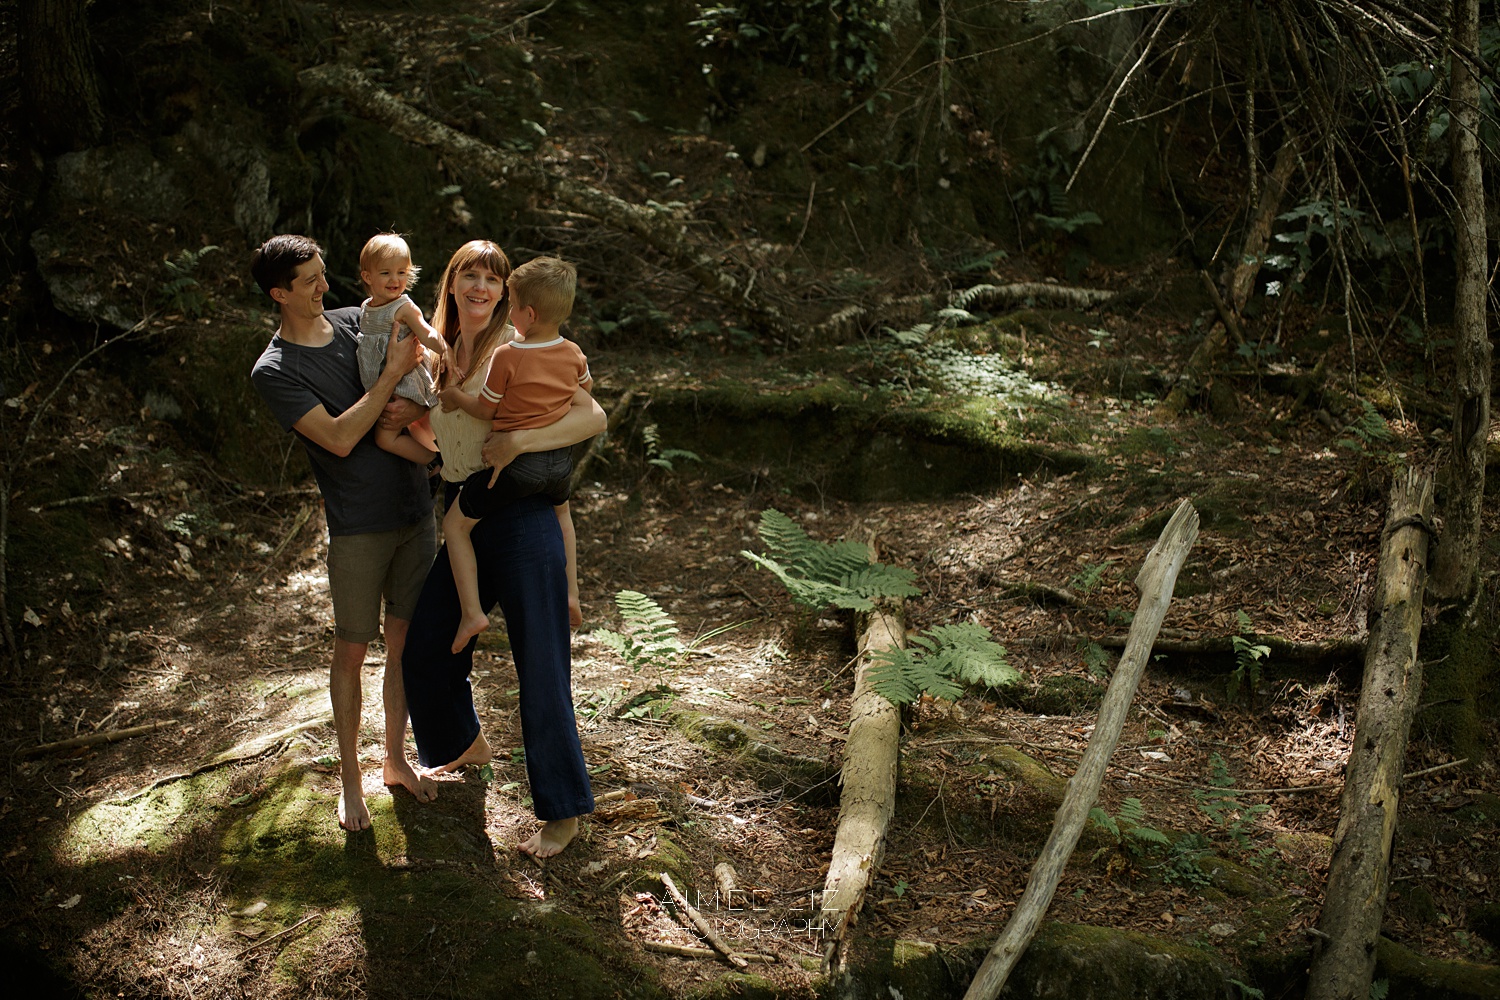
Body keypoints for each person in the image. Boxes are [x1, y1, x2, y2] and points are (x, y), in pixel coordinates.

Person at [399, 239, 602, 859]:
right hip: (466, 506)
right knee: (427, 645)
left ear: (510, 296)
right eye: (470, 277)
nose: (482, 288)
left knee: (541, 667)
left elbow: (591, 416)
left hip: (523, 514)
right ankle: (463, 744)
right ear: (453, 286)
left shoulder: (513, 349)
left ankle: (562, 812)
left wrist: (518, 441)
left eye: (494, 279)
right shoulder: (436, 351)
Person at [248, 234, 439, 832]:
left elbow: (427, 357)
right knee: (352, 652)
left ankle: (397, 761)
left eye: (324, 275)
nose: (324, 287)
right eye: (309, 282)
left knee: (405, 646)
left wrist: (417, 405)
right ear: (279, 294)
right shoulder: (275, 369)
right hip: (358, 526)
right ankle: (350, 783)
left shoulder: (362, 318)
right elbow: (335, 436)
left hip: (417, 509)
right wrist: (391, 378)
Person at [436, 257, 591, 654]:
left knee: (455, 527)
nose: (494, 294)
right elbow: (584, 388)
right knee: (565, 520)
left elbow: (486, 410)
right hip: (556, 465)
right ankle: (571, 594)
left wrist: (454, 397)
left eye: (508, 295)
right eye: (471, 275)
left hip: (512, 469)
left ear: (527, 313)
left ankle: (471, 612)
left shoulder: (508, 352)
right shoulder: (573, 352)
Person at [354, 233, 446, 466]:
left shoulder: (403, 307)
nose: (395, 279)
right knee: (404, 431)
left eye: (401, 272)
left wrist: (448, 351)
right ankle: (438, 462)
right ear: (367, 276)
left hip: (406, 380)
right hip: (383, 382)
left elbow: (427, 334)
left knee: (386, 438)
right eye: (385, 273)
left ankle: (435, 464)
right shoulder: (366, 308)